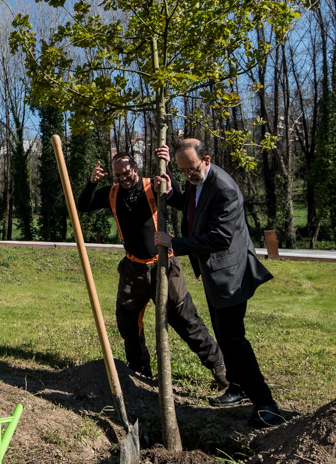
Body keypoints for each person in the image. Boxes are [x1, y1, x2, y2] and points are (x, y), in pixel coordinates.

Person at [75, 151, 234, 400]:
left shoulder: (154, 186)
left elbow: (182, 202)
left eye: (126, 173)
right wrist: (92, 183)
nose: (123, 178)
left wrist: (169, 173)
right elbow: (82, 206)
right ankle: (140, 374)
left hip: (164, 266)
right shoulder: (113, 193)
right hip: (132, 270)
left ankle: (219, 367)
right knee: (128, 324)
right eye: (118, 175)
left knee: (185, 320)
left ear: (135, 168)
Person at [153, 139, 284, 427]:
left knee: (233, 340)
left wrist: (174, 243)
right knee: (225, 337)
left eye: (192, 169)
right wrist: (170, 186)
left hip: (231, 276)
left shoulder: (223, 188)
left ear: (207, 159)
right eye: (183, 171)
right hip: (216, 277)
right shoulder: (198, 181)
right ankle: (237, 387)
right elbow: (190, 206)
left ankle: (266, 405)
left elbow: (220, 238)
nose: (189, 175)